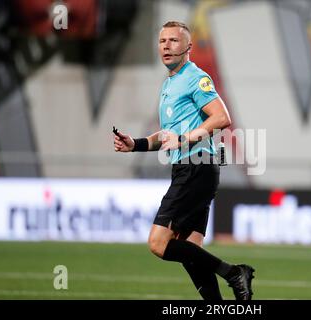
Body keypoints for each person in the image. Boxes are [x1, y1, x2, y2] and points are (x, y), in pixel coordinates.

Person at [113, 21, 254, 300]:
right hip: (190, 168)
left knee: (158, 243)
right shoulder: (170, 84)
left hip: (196, 166)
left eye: (173, 41)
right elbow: (168, 136)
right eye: (162, 41)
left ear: (188, 47)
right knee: (191, 250)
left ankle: (233, 272)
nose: (166, 45)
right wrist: (136, 145)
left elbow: (221, 117)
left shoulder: (195, 78)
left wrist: (186, 138)